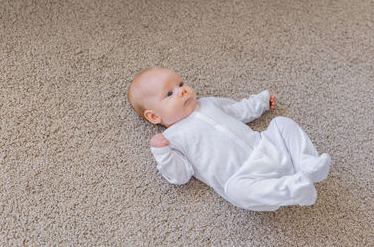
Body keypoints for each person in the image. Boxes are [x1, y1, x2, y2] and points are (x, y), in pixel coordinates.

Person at [128, 67, 331, 211]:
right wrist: (162, 153)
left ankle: (307, 162)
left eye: (181, 83)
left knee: (281, 123)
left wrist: (260, 102)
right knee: (235, 192)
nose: (182, 90)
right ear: (154, 116)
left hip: (264, 145)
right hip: (243, 176)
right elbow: (180, 175)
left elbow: (238, 111)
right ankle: (292, 189)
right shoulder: (171, 139)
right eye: (170, 93)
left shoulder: (207, 104)